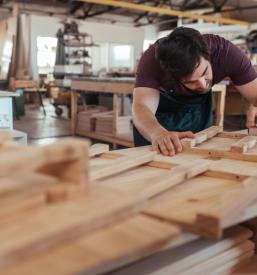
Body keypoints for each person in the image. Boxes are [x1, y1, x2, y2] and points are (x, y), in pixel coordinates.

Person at [132, 27, 257, 156]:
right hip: (158, 116)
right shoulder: (152, 61)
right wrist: (156, 132)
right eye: (190, 82)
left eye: (205, 72)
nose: (203, 85)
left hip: (197, 109)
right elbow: (142, 106)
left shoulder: (225, 53)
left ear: (208, 55)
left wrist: (255, 106)